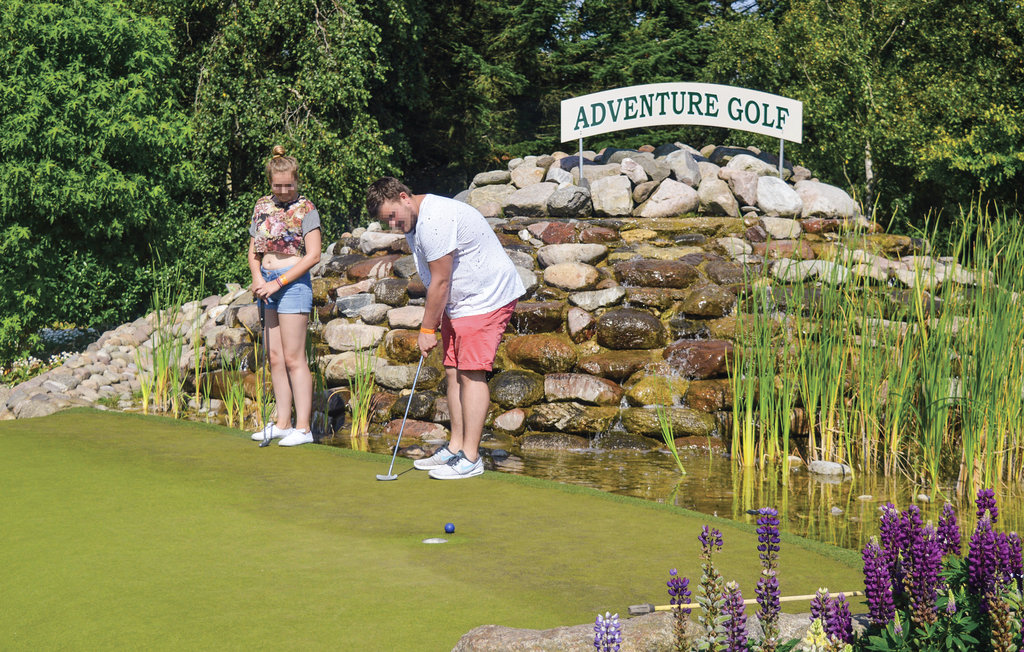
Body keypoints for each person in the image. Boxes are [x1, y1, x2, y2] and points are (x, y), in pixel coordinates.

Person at [366, 177, 524, 479]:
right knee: (453, 371)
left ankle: (471, 457)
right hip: (461, 301)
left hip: (484, 298)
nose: (392, 225)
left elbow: (440, 281)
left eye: (392, 216)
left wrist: (427, 329)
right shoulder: (413, 219)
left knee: (470, 373)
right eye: (386, 221)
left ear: (404, 197)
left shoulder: (434, 220)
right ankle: (455, 447)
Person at [247, 145, 322, 446]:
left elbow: (313, 255)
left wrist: (278, 283)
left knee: (294, 358)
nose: (283, 190)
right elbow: (254, 251)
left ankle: (303, 428)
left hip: (292, 284)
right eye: (277, 185)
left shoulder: (307, 209)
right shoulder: (262, 206)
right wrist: (257, 279)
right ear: (270, 182)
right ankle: (282, 422)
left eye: (288, 184)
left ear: (296, 180)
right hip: (265, 284)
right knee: (275, 357)